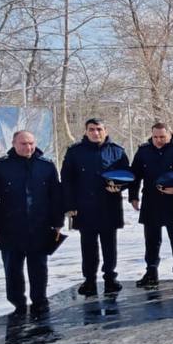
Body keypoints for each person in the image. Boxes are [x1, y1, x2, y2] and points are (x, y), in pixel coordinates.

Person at [0, 130, 63, 318]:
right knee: (12, 269)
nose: (28, 147)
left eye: (31, 143)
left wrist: (58, 221)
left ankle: (40, 300)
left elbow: (55, 196)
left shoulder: (47, 166)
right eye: (23, 144)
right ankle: (18, 303)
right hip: (10, 226)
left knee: (39, 267)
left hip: (40, 225)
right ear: (14, 143)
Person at [61, 118, 131, 296]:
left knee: (110, 246)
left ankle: (110, 279)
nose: (95, 133)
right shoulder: (75, 152)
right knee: (88, 247)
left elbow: (128, 176)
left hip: (109, 206)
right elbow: (67, 181)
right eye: (91, 129)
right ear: (86, 131)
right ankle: (89, 281)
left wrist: (120, 187)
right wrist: (69, 205)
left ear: (105, 130)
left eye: (99, 129)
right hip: (84, 207)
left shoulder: (117, 152)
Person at [128, 122, 173, 287]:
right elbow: (135, 175)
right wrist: (133, 196)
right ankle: (151, 272)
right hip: (151, 201)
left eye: (162, 137)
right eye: (155, 137)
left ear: (170, 134)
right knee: (152, 240)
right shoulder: (143, 151)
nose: (159, 140)